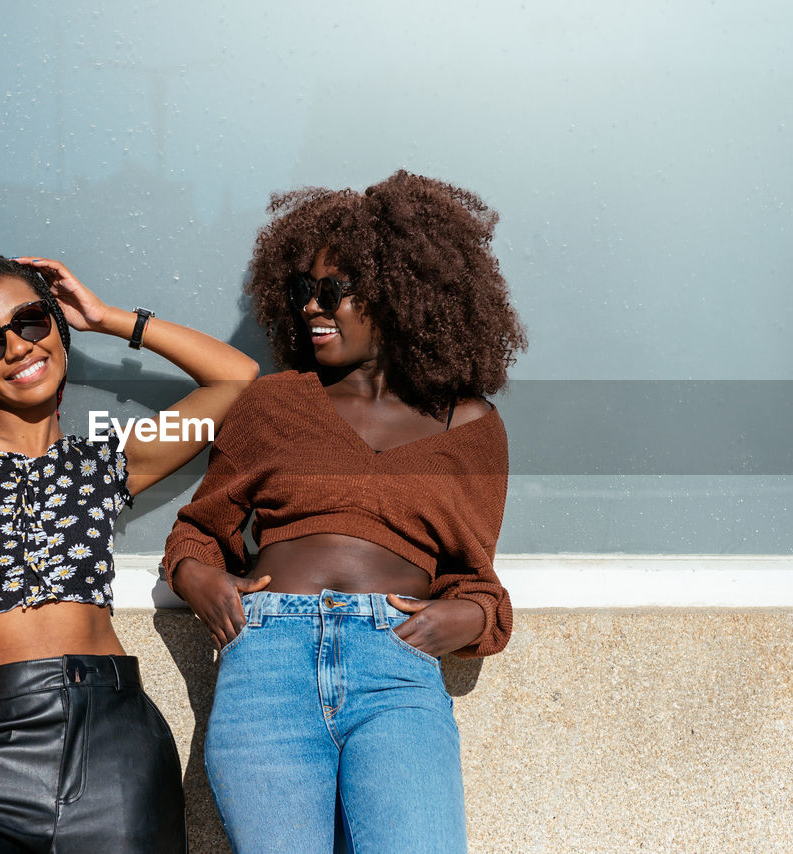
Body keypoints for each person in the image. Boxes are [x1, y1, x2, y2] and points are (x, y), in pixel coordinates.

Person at [162, 171, 527, 853]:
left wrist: (459, 619)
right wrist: (203, 582)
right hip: (267, 661)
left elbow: (478, 582)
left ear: (399, 294)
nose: (312, 307)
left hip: (395, 667)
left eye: (335, 290)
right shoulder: (272, 405)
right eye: (302, 290)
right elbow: (197, 532)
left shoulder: (470, 426)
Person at [0, 255, 258, 853]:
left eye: (30, 322)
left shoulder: (105, 462)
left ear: (57, 328)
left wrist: (107, 318)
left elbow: (236, 379)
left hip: (113, 742)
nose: (16, 348)